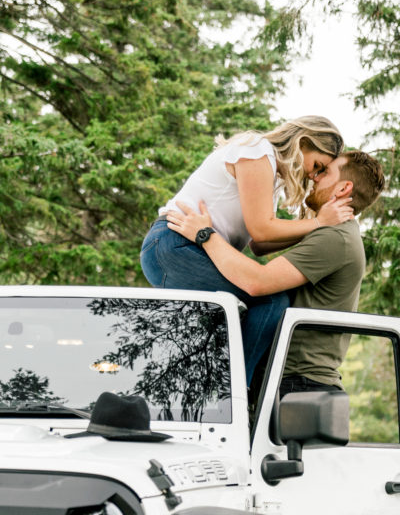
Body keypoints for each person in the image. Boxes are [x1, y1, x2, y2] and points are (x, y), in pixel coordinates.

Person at [140, 116, 352, 385]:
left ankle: (222, 384)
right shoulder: (256, 151)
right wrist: (319, 222)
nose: (313, 175)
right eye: (317, 165)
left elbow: (259, 245)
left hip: (192, 247)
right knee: (271, 301)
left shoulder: (271, 173)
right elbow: (263, 229)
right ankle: (237, 390)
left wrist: (315, 232)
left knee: (231, 320)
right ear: (303, 142)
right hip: (174, 244)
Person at [164, 150, 386, 394]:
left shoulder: (336, 238)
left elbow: (257, 282)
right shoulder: (333, 232)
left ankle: (232, 388)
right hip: (294, 382)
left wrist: (204, 235)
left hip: (298, 385)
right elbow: (259, 245)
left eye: (324, 172)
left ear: (343, 188)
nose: (314, 177)